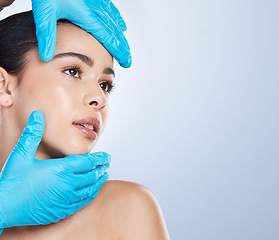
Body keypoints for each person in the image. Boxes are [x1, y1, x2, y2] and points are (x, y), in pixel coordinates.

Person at [0, 9, 170, 240]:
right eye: (73, 71)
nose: (99, 98)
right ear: (5, 86)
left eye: (105, 85)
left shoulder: (124, 208)